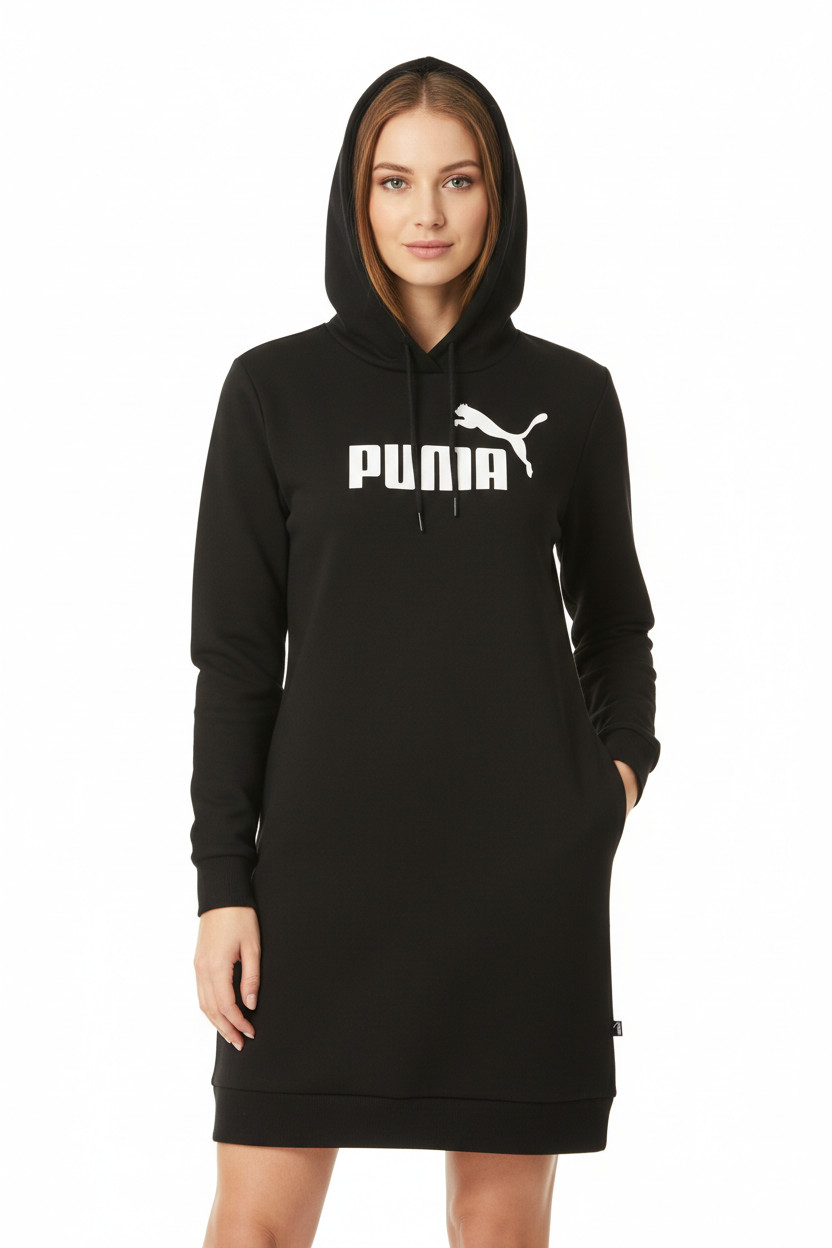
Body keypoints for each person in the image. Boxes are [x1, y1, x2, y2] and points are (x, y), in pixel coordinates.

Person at [189, 54, 660, 1248]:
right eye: (394, 182)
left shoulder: (571, 397)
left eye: (458, 180)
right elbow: (234, 659)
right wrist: (223, 884)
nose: (427, 213)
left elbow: (615, 624)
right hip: (316, 888)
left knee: (499, 1233)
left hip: (521, 890)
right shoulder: (272, 393)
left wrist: (608, 785)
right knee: (254, 1225)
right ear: (357, 198)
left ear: (498, 195)